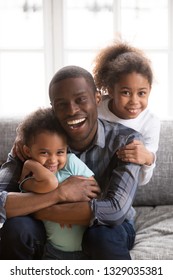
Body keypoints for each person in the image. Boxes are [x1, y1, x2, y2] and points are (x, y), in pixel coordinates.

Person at [0, 65, 142, 260]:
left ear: (97, 98)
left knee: (103, 236)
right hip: (49, 231)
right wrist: (61, 193)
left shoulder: (125, 141)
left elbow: (114, 211)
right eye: (62, 104)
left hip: (106, 230)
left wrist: (37, 209)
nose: (72, 110)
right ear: (53, 108)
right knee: (17, 229)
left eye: (80, 100)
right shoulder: (33, 144)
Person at [17, 107, 95, 260]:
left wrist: (67, 210)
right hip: (53, 252)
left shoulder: (72, 162)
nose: (53, 160)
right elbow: (50, 183)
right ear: (27, 151)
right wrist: (29, 165)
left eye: (60, 152)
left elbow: (96, 193)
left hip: (88, 250)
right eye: (44, 153)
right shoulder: (32, 178)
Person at [93, 41, 160, 186]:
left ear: (150, 89)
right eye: (126, 92)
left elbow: (142, 181)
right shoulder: (96, 110)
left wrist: (148, 158)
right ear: (111, 90)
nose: (134, 101)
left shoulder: (150, 122)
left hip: (121, 187)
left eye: (141, 93)